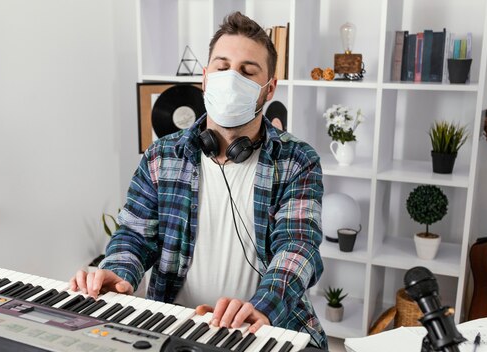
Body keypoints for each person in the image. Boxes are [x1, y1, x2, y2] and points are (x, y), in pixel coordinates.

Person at [70, 11, 327, 350]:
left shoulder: (298, 160)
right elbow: (134, 235)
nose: (232, 78)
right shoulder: (160, 156)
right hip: (176, 329)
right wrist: (118, 272)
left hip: (264, 328)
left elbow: (297, 247)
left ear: (269, 89)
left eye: (248, 72)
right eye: (222, 68)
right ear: (205, 78)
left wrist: (261, 309)